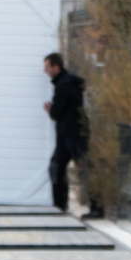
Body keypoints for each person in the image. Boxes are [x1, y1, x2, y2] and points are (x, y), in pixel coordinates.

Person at [43, 52, 99, 217]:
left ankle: (93, 208)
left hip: (72, 136)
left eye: (47, 67)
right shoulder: (67, 83)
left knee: (80, 170)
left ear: (56, 67)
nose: (45, 71)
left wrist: (50, 109)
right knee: (59, 168)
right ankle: (60, 206)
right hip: (70, 135)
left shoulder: (64, 85)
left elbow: (56, 113)